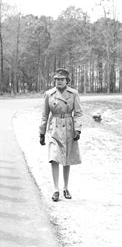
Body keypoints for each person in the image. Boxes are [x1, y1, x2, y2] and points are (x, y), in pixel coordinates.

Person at [39, 68, 82, 202]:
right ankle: (56, 189)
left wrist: (78, 129)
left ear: (67, 81)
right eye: (57, 79)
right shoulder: (49, 94)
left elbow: (79, 113)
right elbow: (45, 115)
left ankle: (66, 187)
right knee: (54, 157)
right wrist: (41, 132)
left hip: (69, 127)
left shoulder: (73, 93)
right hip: (54, 128)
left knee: (66, 158)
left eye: (62, 79)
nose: (59, 81)